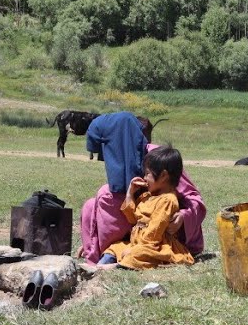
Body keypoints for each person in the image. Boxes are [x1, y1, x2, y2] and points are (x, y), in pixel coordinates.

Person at [77, 112, 206, 263]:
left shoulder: (158, 159)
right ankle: (98, 249)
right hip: (137, 229)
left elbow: (194, 199)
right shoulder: (119, 161)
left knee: (105, 193)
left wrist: (183, 217)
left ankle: (112, 254)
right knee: (91, 205)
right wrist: (92, 237)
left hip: (163, 234)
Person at [99, 145, 195, 270]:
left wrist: (134, 248)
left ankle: (112, 267)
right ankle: (100, 264)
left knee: (138, 253)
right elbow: (133, 220)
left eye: (148, 174)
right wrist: (130, 193)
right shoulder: (147, 196)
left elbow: (154, 234)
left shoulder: (167, 200)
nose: (144, 178)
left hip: (155, 245)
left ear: (163, 176)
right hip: (137, 242)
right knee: (116, 247)